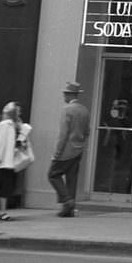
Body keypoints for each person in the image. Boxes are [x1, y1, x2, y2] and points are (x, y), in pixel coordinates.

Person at [0, 102, 32, 220]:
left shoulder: (19, 125)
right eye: (17, 110)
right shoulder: (5, 125)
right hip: (3, 160)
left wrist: (23, 142)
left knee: (4, 186)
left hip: (11, 160)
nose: (19, 113)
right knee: (5, 186)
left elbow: (22, 141)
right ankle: (2, 212)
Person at [49, 80, 90, 217]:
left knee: (53, 175)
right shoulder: (84, 110)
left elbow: (63, 134)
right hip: (78, 149)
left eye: (65, 94)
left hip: (66, 150)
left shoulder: (67, 110)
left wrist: (57, 153)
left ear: (69, 95)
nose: (63, 96)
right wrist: (81, 144)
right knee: (72, 178)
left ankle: (67, 201)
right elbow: (87, 132)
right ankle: (69, 210)